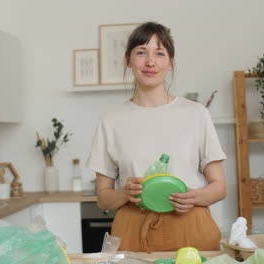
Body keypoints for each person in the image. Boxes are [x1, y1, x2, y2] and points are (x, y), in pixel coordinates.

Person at [86, 21, 227, 252]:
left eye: (159, 53)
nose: (150, 62)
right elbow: (103, 199)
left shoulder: (196, 114)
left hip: (191, 227)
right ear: (128, 60)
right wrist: (124, 193)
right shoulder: (110, 120)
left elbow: (219, 187)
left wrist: (194, 197)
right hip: (132, 231)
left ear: (170, 62)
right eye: (141, 52)